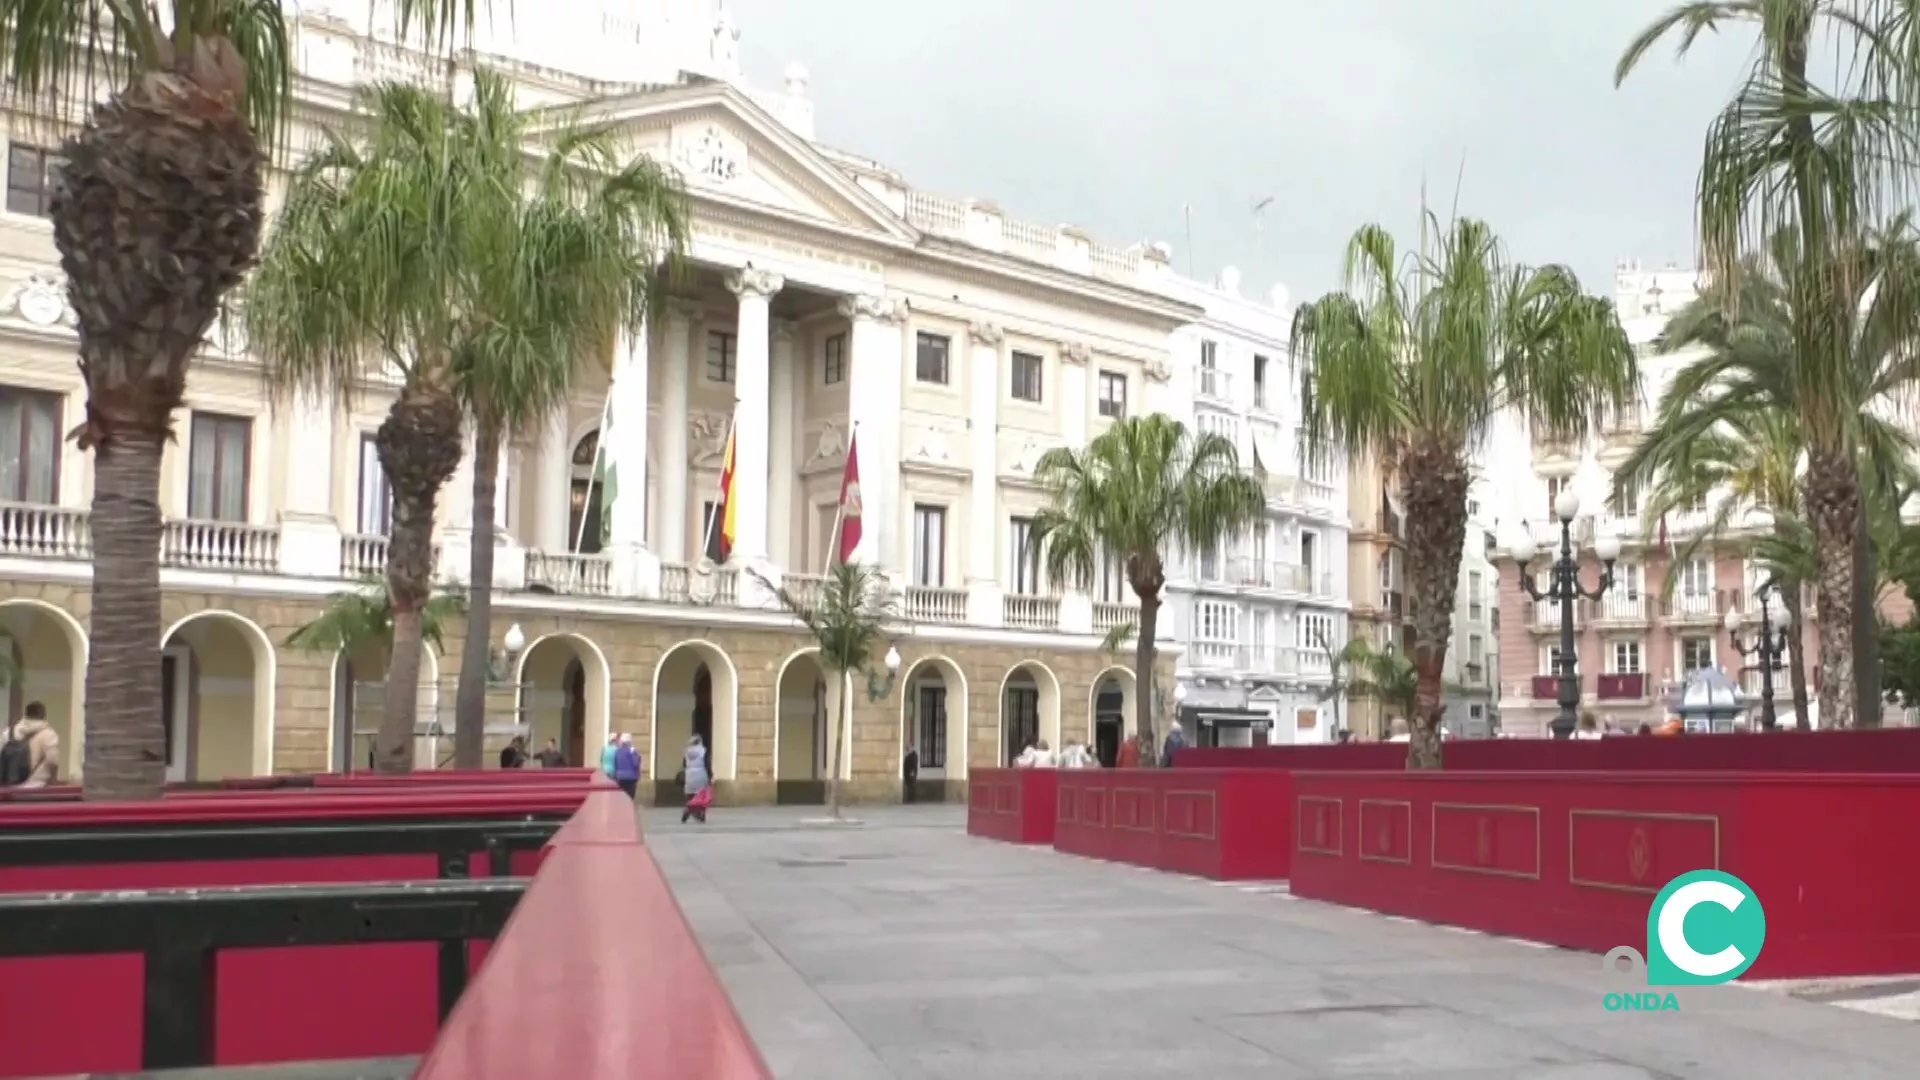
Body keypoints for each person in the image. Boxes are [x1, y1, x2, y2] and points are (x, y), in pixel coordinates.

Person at [1, 701, 58, 788]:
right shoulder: (48, 734)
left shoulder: (9, 732)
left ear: (25, 714)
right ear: (44, 716)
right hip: (37, 787)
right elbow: (52, 761)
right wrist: (53, 781)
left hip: (8, 788)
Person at [681, 734, 712, 824]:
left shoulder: (687, 752)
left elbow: (684, 764)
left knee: (690, 796)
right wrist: (710, 776)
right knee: (702, 796)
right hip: (701, 774)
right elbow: (707, 764)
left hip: (689, 775)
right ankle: (700, 814)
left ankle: (689, 809)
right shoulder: (703, 751)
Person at [612, 734, 641, 799]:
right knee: (630, 797)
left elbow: (615, 764)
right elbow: (635, 763)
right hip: (631, 777)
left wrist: (616, 775)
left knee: (621, 798)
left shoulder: (618, 751)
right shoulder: (632, 752)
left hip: (620, 777)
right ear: (629, 742)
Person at [902, 738, 919, 803]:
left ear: (911, 746)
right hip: (907, 774)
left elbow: (914, 764)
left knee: (912, 786)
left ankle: (912, 800)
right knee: (909, 786)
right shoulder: (908, 755)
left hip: (911, 773)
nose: (906, 747)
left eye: (908, 745)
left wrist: (912, 772)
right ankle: (909, 799)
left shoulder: (914, 755)